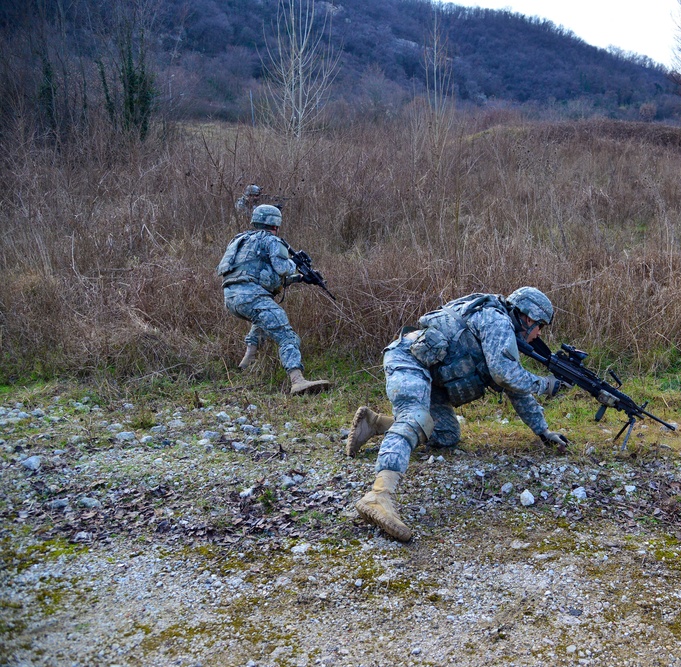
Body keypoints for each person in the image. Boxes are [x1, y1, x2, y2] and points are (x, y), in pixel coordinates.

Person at [347, 287, 568, 542]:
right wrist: (546, 385)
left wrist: (543, 431)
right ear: (528, 318)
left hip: (432, 374)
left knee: (446, 435)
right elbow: (505, 375)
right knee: (414, 418)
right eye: (540, 325)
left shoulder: (496, 322)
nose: (539, 333)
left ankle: (374, 423)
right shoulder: (497, 321)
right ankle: (379, 495)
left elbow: (513, 388)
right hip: (409, 361)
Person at [217, 204, 329, 395]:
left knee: (264, 319)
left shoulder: (240, 240)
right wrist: (296, 263)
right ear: (275, 224)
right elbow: (283, 268)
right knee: (287, 336)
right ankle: (297, 380)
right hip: (253, 297)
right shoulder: (272, 241)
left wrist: (301, 278)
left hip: (231, 298)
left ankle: (245, 365)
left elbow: (263, 276)